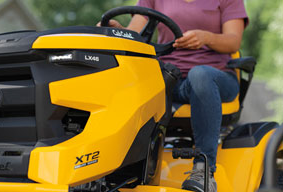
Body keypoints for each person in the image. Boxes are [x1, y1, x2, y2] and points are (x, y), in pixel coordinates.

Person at [98, 0, 248, 191]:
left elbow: (233, 41)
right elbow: (134, 34)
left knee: (200, 74)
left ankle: (204, 170)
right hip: (171, 77)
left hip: (215, 77)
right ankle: (114, 163)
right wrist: (119, 31)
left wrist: (206, 37)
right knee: (129, 76)